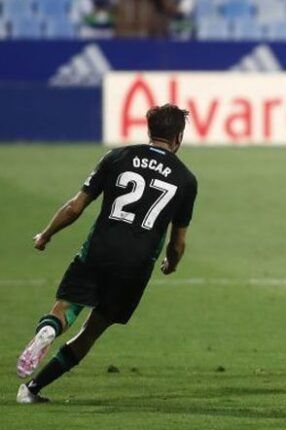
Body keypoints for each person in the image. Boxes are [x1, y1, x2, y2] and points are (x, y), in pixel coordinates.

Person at [16, 104, 198, 404]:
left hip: (98, 251)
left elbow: (75, 206)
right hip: (136, 267)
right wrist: (171, 264)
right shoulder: (186, 179)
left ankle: (47, 331)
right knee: (91, 332)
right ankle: (32, 389)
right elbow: (178, 243)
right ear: (178, 137)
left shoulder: (117, 157)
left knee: (65, 310)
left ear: (149, 130)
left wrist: (46, 234)